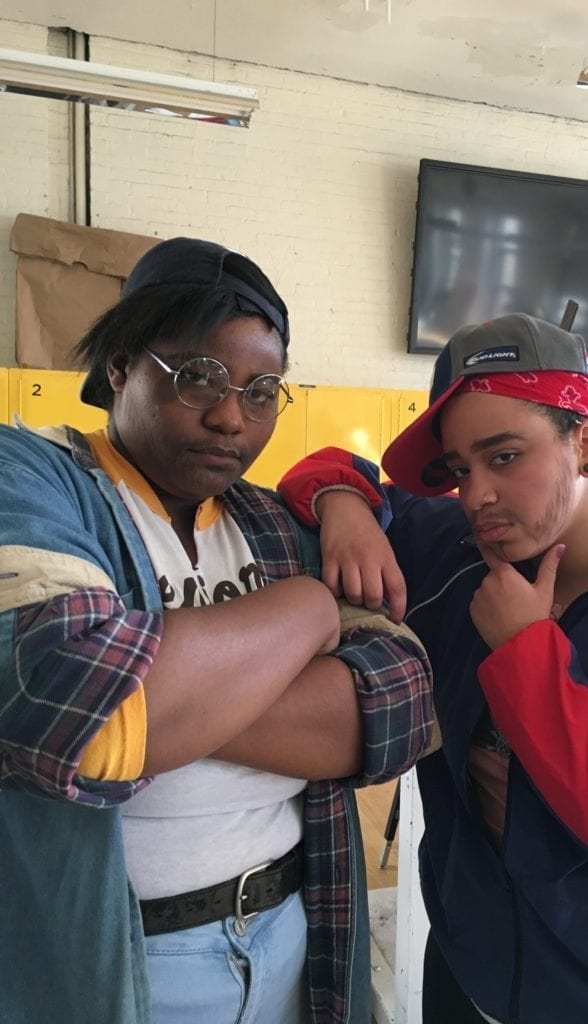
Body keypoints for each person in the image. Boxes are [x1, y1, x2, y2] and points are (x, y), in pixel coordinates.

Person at [278, 312, 588, 1024]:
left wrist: (528, 656)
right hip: (467, 971)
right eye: (458, 469)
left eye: (504, 457)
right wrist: (345, 504)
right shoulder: (455, 554)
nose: (475, 495)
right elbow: (322, 467)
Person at [0, 236, 434, 1024]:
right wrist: (306, 609)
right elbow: (79, 716)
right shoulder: (35, 480)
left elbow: (400, 705)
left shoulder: (271, 521)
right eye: (198, 377)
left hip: (291, 932)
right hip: (118, 961)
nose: (232, 416)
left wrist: (170, 694)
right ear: (122, 365)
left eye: (262, 389)